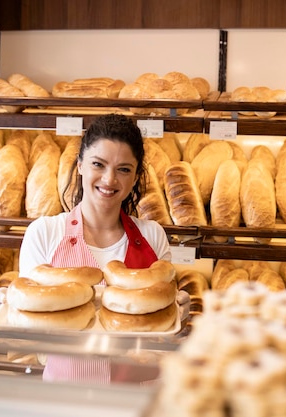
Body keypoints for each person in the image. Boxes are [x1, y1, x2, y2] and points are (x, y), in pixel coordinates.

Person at [18, 113, 184, 384]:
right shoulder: (45, 233)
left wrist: (178, 310)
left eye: (123, 169)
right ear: (81, 165)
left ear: (135, 178)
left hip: (141, 395)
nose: (109, 180)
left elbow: (160, 333)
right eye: (99, 164)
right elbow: (36, 332)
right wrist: (12, 306)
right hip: (67, 398)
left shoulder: (153, 236)